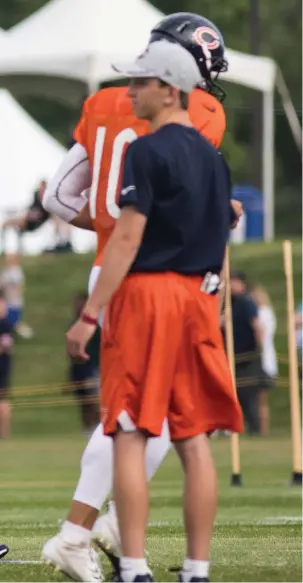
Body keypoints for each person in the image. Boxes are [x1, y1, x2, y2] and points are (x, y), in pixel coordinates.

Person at [42, 13, 243, 582]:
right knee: (156, 424)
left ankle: (99, 532)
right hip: (162, 277)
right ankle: (85, 533)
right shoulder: (200, 114)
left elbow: (58, 198)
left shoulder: (103, 103)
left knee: (131, 418)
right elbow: (187, 201)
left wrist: (108, 223)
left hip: (110, 269)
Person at [225, 271, 263, 435]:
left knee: (248, 393)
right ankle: (238, 425)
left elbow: (257, 326)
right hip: (232, 355)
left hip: (248, 355)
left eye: (234, 282)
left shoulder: (246, 302)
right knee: (236, 393)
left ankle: (254, 427)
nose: (232, 285)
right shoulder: (229, 303)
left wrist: (258, 349)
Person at [68, 292, 100, 433]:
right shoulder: (73, 325)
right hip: (78, 369)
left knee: (94, 400)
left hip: (93, 368)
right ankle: (88, 431)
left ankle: (99, 428)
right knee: (83, 401)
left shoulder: (96, 326)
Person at [251, 285, 277, 436]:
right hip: (266, 357)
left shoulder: (262, 313)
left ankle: (262, 428)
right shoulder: (268, 313)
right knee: (260, 397)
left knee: (260, 397)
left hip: (263, 358)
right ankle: (261, 427)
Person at [0, 291, 14, 438]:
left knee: (3, 403)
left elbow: (5, 346)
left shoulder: (5, 325)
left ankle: (4, 435)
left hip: (2, 369)